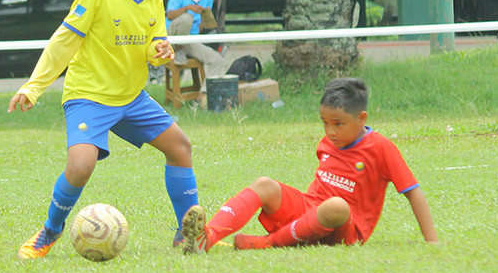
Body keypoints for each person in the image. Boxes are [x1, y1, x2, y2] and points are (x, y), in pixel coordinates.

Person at [9, 0, 201, 259]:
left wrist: (161, 51)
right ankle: (49, 232)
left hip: (131, 98)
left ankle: (186, 233)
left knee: (180, 147)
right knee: (81, 166)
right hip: (89, 97)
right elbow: (63, 42)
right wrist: (33, 87)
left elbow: (154, 42)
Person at [181, 77, 438, 253]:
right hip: (309, 211)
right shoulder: (327, 143)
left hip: (345, 228)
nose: (330, 131)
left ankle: (265, 243)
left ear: (362, 119)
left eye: (338, 123)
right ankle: (208, 237)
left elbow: (413, 192)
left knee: (337, 205)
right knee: (264, 185)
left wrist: (432, 242)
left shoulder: (381, 148)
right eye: (324, 122)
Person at [165, 0, 228, 81]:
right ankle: (179, 50)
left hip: (189, 39)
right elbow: (169, 15)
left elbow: (204, 21)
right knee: (187, 18)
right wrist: (187, 8)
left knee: (217, 60)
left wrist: (206, 20)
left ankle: (203, 96)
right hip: (172, 38)